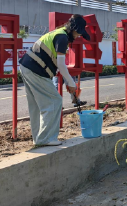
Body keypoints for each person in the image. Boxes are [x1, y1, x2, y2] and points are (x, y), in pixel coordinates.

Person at [19, 14, 90, 146]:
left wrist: (69, 82)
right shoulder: (62, 38)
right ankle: (46, 138)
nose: (79, 36)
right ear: (74, 29)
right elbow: (62, 64)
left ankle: (39, 139)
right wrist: (71, 82)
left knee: (36, 105)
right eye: (79, 33)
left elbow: (56, 64)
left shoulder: (58, 33)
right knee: (54, 101)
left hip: (27, 66)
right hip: (35, 69)